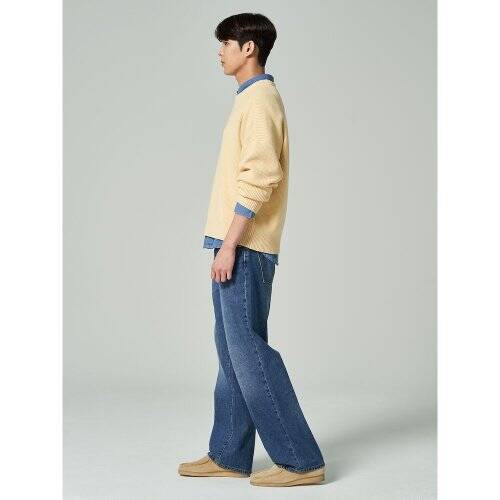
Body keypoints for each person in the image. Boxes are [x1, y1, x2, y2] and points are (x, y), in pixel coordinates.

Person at [178, 13, 326, 487]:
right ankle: (229, 452)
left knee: (248, 352)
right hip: (233, 243)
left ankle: (301, 461)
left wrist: (230, 244)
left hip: (243, 245)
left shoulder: (260, 99)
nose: (219, 51)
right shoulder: (248, 98)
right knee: (231, 351)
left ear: (249, 48)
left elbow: (262, 176)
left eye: (226, 42)